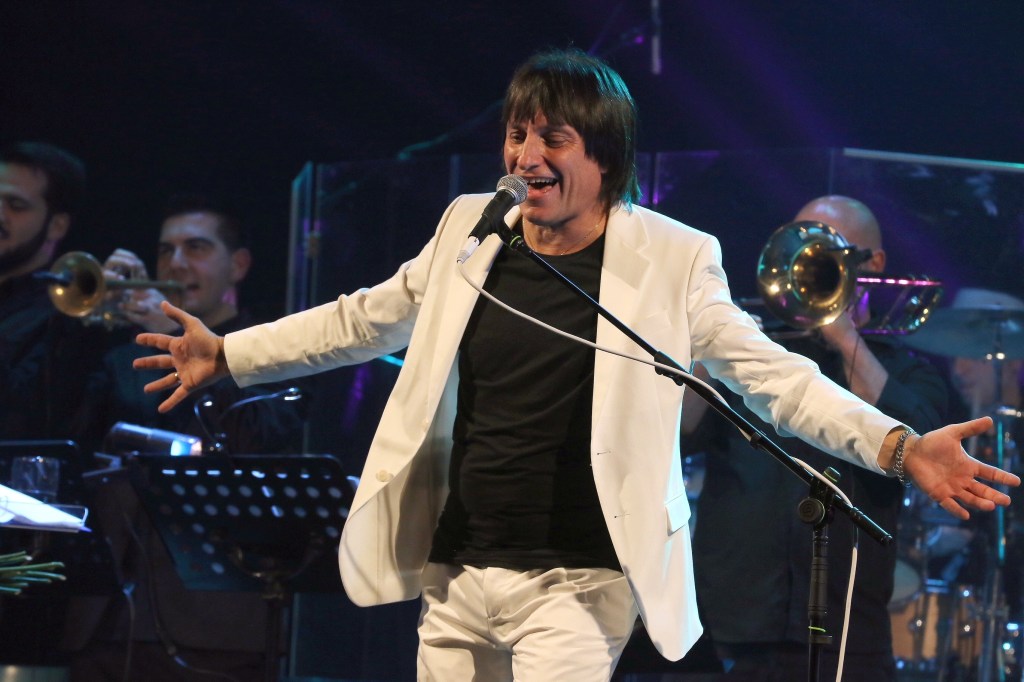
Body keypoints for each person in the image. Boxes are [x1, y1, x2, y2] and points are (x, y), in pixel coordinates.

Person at [131, 49, 1017, 681]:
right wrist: (231, 353)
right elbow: (363, 318)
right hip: (456, 571)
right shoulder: (471, 230)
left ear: (605, 157)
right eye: (517, 135)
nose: (525, 158)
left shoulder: (673, 258)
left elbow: (774, 378)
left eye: (551, 138)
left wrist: (901, 446)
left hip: (578, 582)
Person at [682, 196, 949, 681]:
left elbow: (917, 444)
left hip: (847, 630)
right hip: (731, 621)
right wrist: (713, 352)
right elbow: (679, 433)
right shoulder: (756, 362)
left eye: (827, 251)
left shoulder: (907, 370)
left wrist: (845, 338)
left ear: (873, 264)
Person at [63, 196, 309, 682]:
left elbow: (252, 438)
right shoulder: (124, 357)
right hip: (105, 623)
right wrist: (85, 330)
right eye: (165, 250)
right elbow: (71, 443)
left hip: (214, 628)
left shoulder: (274, 351)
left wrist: (185, 349)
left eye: (196, 248)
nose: (175, 263)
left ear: (238, 265)